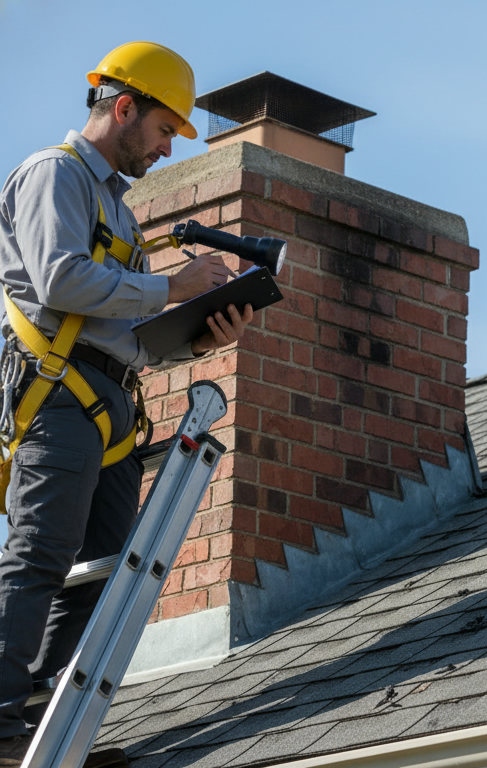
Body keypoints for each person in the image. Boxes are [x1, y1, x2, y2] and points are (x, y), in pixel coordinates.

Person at [0, 42, 254, 767]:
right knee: (40, 555)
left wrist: (200, 335)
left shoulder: (117, 206)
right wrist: (172, 287)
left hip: (109, 402)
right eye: (165, 130)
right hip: (56, 393)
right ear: (123, 108)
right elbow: (59, 281)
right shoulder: (56, 175)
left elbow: (131, 337)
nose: (169, 149)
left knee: (103, 567)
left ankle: (48, 727)